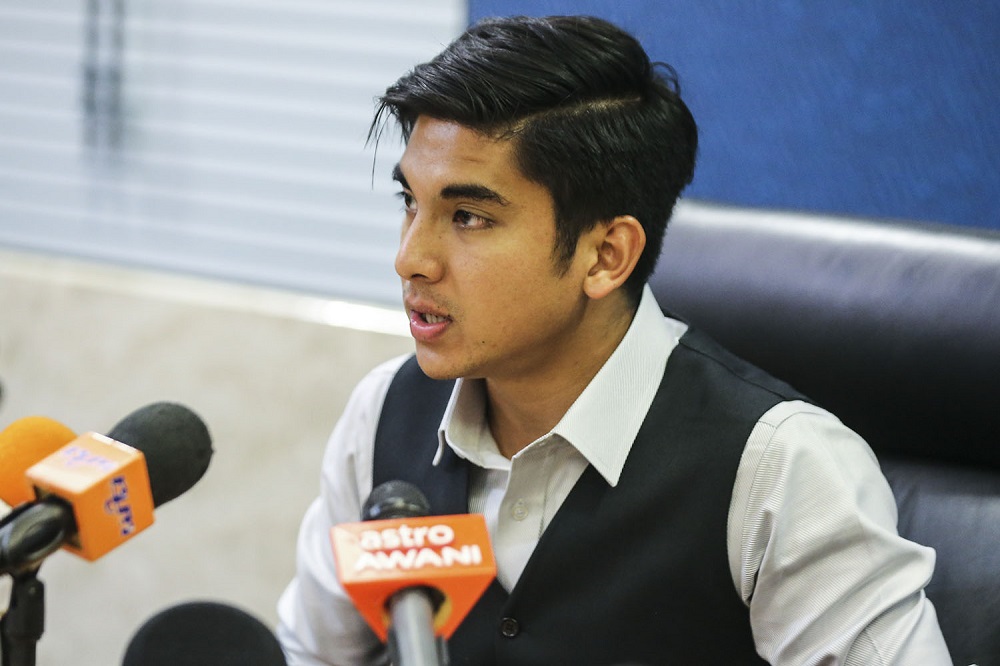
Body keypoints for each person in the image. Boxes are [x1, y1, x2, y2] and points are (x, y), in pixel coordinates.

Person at [276, 14, 951, 665]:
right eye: (410, 203)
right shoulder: (384, 413)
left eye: (469, 216)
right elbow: (311, 654)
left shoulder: (780, 467)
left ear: (605, 256)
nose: (410, 259)